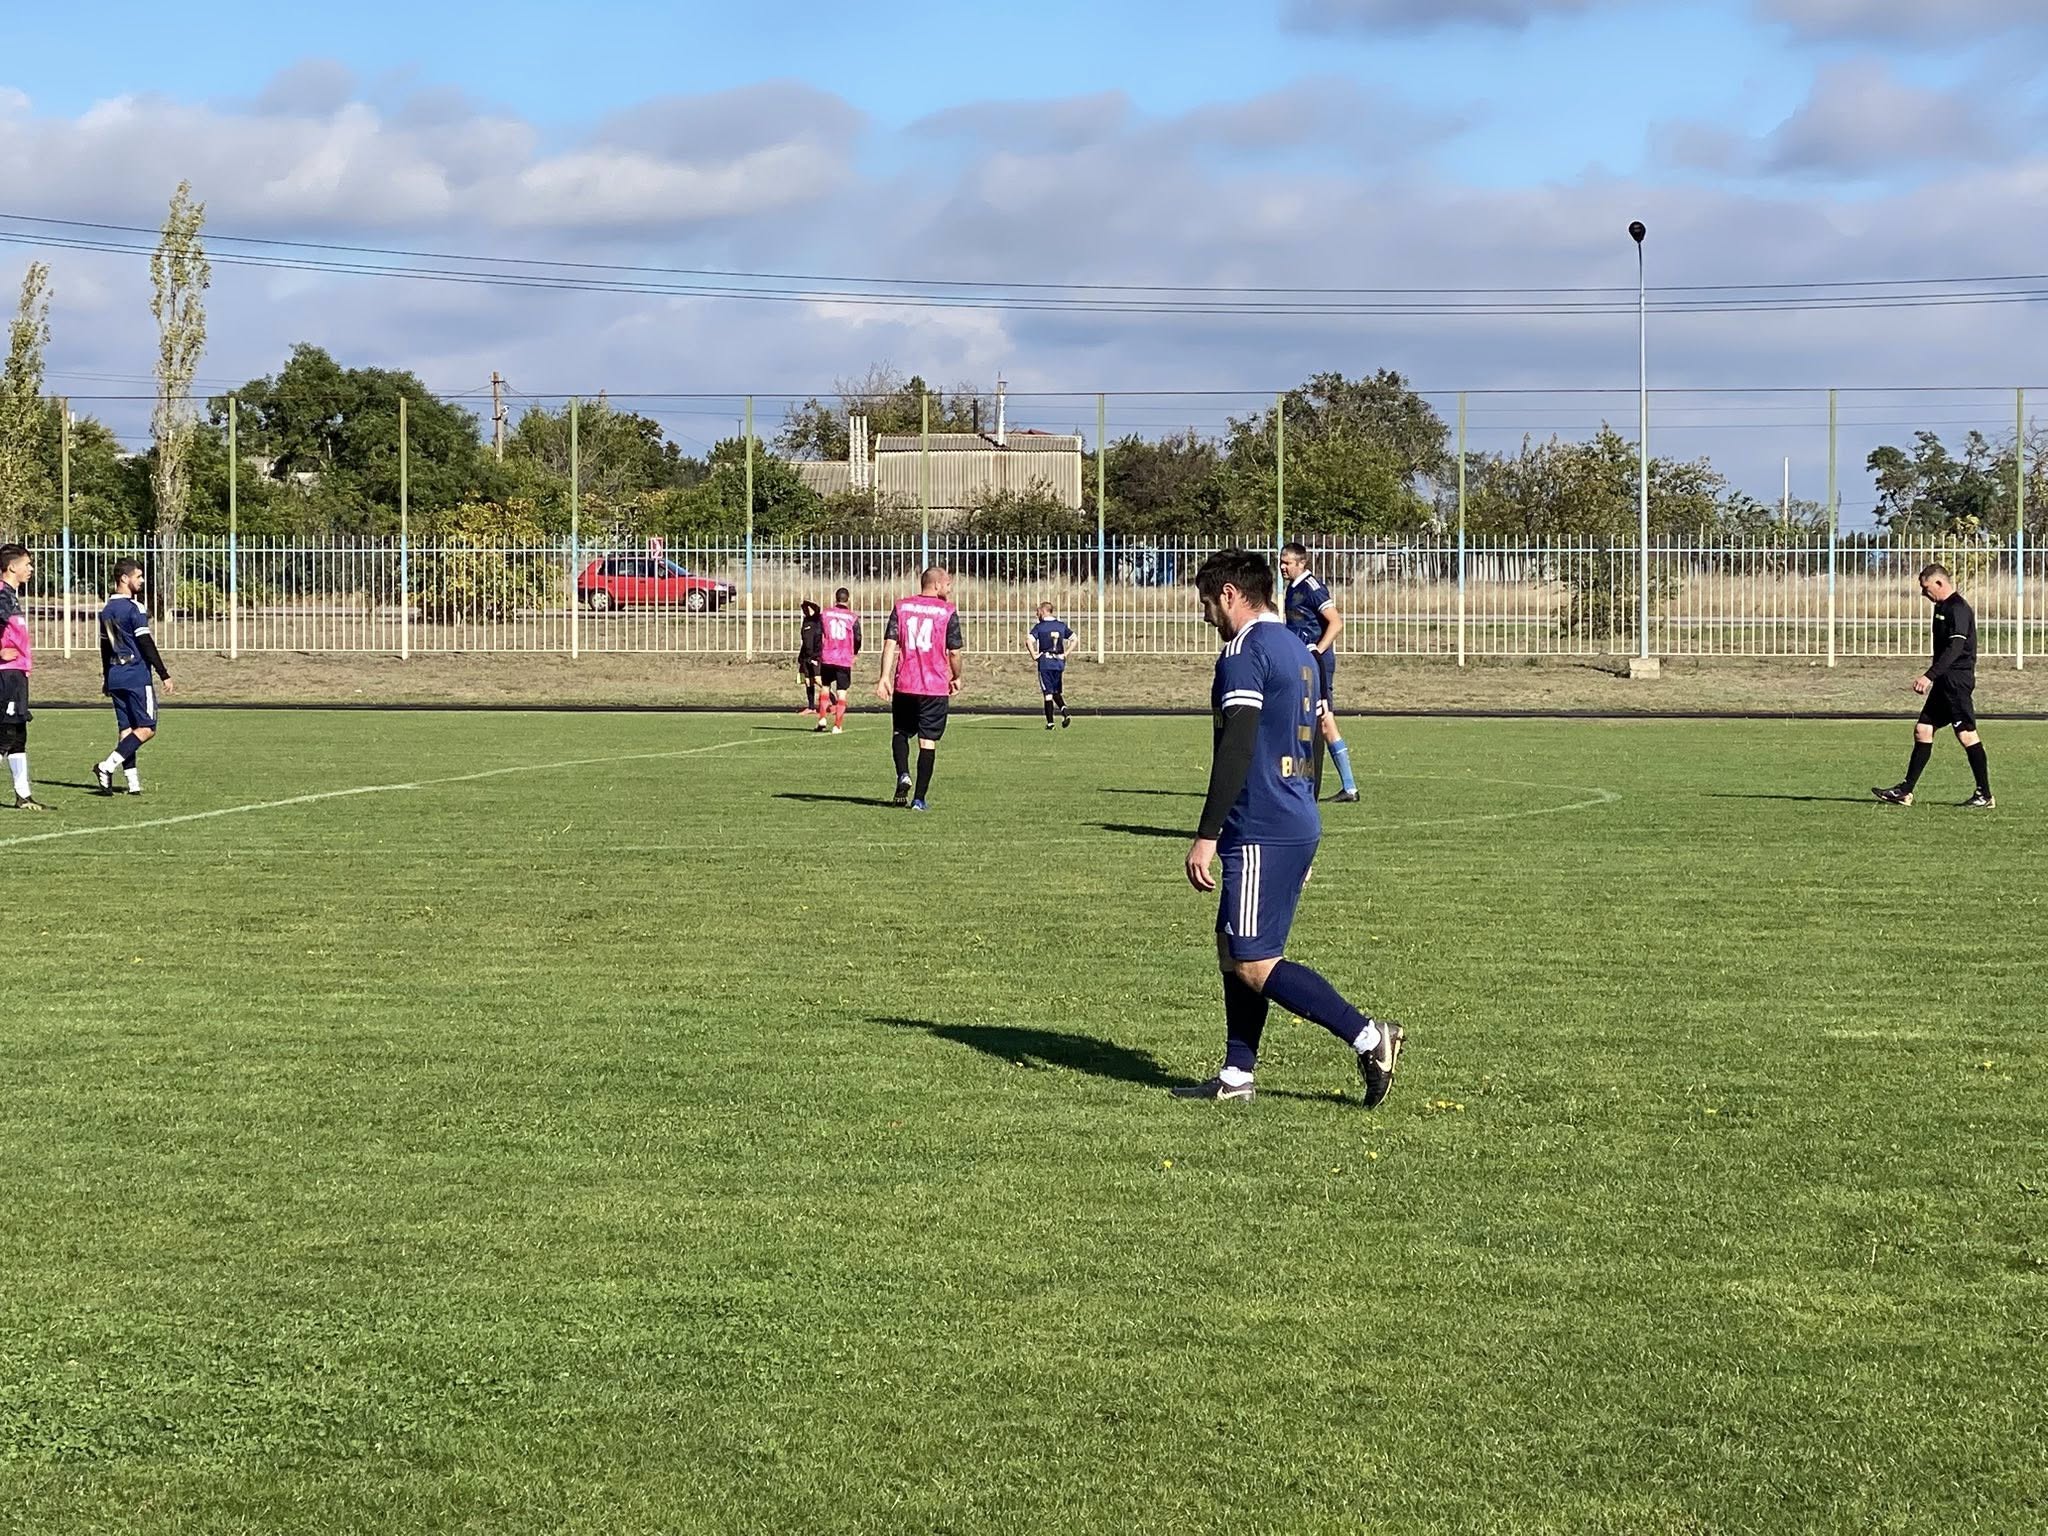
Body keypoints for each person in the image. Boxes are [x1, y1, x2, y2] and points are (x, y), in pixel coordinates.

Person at [1174, 548, 1403, 1107]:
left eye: (1206, 601)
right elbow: (1313, 740)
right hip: (1292, 814)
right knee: (1232, 948)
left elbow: (1237, 744)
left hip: (1261, 820)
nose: (1204, 614)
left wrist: (1206, 834)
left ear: (1230, 594)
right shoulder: (1300, 650)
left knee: (1254, 961)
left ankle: (1369, 1037)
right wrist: (1308, 819)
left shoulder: (1244, 651)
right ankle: (1236, 1075)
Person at [1874, 562, 1993, 809]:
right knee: (1923, 730)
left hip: (1956, 682)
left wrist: (1929, 676)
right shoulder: (1942, 606)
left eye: (1926, 588)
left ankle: (1984, 794)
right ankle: (1905, 791)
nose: (1923, 593)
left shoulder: (1958, 609)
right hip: (1944, 682)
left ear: (1939, 583)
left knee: (1966, 734)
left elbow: (1955, 648)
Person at [875, 566, 963, 810]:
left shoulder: (902, 607)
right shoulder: (947, 611)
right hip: (934, 687)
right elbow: (954, 652)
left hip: (906, 683)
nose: (950, 588)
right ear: (936, 584)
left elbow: (890, 644)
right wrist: (957, 676)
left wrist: (884, 677)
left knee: (900, 732)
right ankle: (919, 799)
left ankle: (903, 774)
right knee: (928, 741)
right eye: (948, 584)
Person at [1278, 542, 1359, 804]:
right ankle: (1339, 786)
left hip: (1317, 665)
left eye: (1287, 563)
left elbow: (1336, 622)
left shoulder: (1312, 587)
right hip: (1302, 663)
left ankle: (1348, 787)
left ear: (1301, 563)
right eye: (1281, 562)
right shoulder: (1293, 588)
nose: (1282, 567)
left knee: (1323, 719)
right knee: (1309, 719)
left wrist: (1316, 651)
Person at [93, 559, 174, 797]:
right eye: (138, 576)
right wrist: (163, 673)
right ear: (124, 578)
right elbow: (145, 642)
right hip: (136, 675)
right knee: (147, 727)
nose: (141, 581)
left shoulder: (106, 610)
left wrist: (107, 677)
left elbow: (105, 647)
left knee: (127, 729)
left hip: (115, 675)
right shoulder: (135, 608)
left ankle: (133, 783)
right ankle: (107, 766)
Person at [0, 545, 48, 811]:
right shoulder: (1, 595)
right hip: (5, 675)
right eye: (27, 564)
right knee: (5, 734)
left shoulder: (11, 596)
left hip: (16, 674)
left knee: (18, 734)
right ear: (11, 567)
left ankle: (23, 796)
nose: (30, 569)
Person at [816, 588, 862, 735]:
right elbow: (858, 637)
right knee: (841, 692)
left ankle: (822, 718)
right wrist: (855, 652)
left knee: (825, 686)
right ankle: (837, 725)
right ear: (848, 599)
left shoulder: (825, 614)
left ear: (835, 598)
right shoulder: (852, 617)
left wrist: (818, 652)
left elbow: (818, 633)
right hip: (843, 658)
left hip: (828, 656)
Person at [1027, 601, 1074, 729]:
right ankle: (1064, 710)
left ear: (1043, 611)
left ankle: (1050, 723)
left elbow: (1028, 641)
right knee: (1056, 691)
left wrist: (1034, 655)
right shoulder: (1061, 625)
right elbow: (1074, 639)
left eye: (1038, 612)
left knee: (1048, 693)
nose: (1037, 615)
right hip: (1058, 663)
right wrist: (1066, 653)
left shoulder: (1040, 627)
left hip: (1046, 662)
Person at [796, 600, 824, 715]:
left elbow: (817, 608)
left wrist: (808, 603)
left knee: (818, 680)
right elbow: (805, 641)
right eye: (804, 609)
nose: (806, 611)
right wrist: (801, 657)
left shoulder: (817, 620)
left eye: (807, 609)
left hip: (816, 656)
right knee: (808, 681)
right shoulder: (805, 622)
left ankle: (835, 701)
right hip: (806, 657)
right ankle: (811, 707)